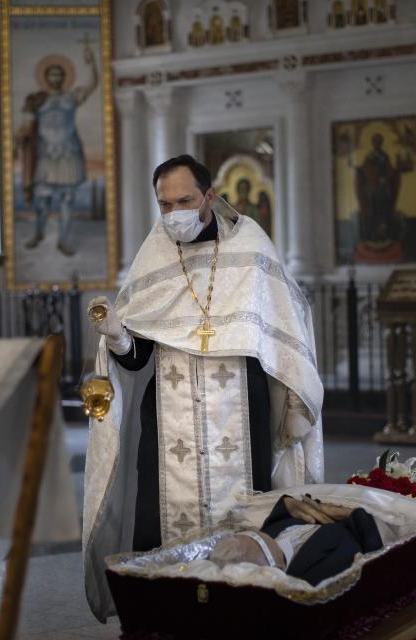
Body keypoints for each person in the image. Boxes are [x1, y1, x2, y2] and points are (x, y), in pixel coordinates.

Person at [82, 155, 324, 620]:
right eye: (165, 203)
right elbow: (139, 358)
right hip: (169, 426)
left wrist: (295, 397)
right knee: (160, 530)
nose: (175, 212)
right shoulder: (154, 255)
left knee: (245, 518)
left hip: (240, 416)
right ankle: (161, 622)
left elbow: (285, 332)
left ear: (210, 197)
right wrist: (117, 336)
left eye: (185, 201)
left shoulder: (251, 249)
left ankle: (245, 617)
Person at [16, 43, 98, 257]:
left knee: (68, 199)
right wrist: (21, 136)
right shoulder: (38, 101)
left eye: (58, 74)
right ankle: (39, 232)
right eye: (51, 74)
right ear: (45, 77)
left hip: (68, 153)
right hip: (45, 155)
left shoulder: (71, 97)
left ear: (63, 77)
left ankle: (63, 239)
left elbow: (92, 85)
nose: (55, 78)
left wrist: (92, 64)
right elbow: (26, 125)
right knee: (42, 200)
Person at [209, 495, 382, 585]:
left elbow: (276, 520)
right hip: (365, 514)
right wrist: (350, 513)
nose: (253, 532)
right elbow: (371, 551)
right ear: (276, 569)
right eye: (253, 537)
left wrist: (288, 504)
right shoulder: (308, 575)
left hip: (314, 505)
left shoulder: (264, 541)